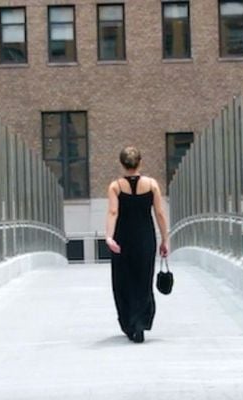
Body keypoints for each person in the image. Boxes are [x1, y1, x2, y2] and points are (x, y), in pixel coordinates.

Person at [105, 146, 169, 343]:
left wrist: (109, 237)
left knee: (123, 281)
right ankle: (141, 322)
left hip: (123, 239)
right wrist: (165, 239)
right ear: (140, 162)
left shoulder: (115, 187)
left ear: (122, 164)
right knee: (143, 280)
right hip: (145, 238)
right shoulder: (152, 185)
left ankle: (129, 323)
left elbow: (113, 212)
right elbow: (159, 213)